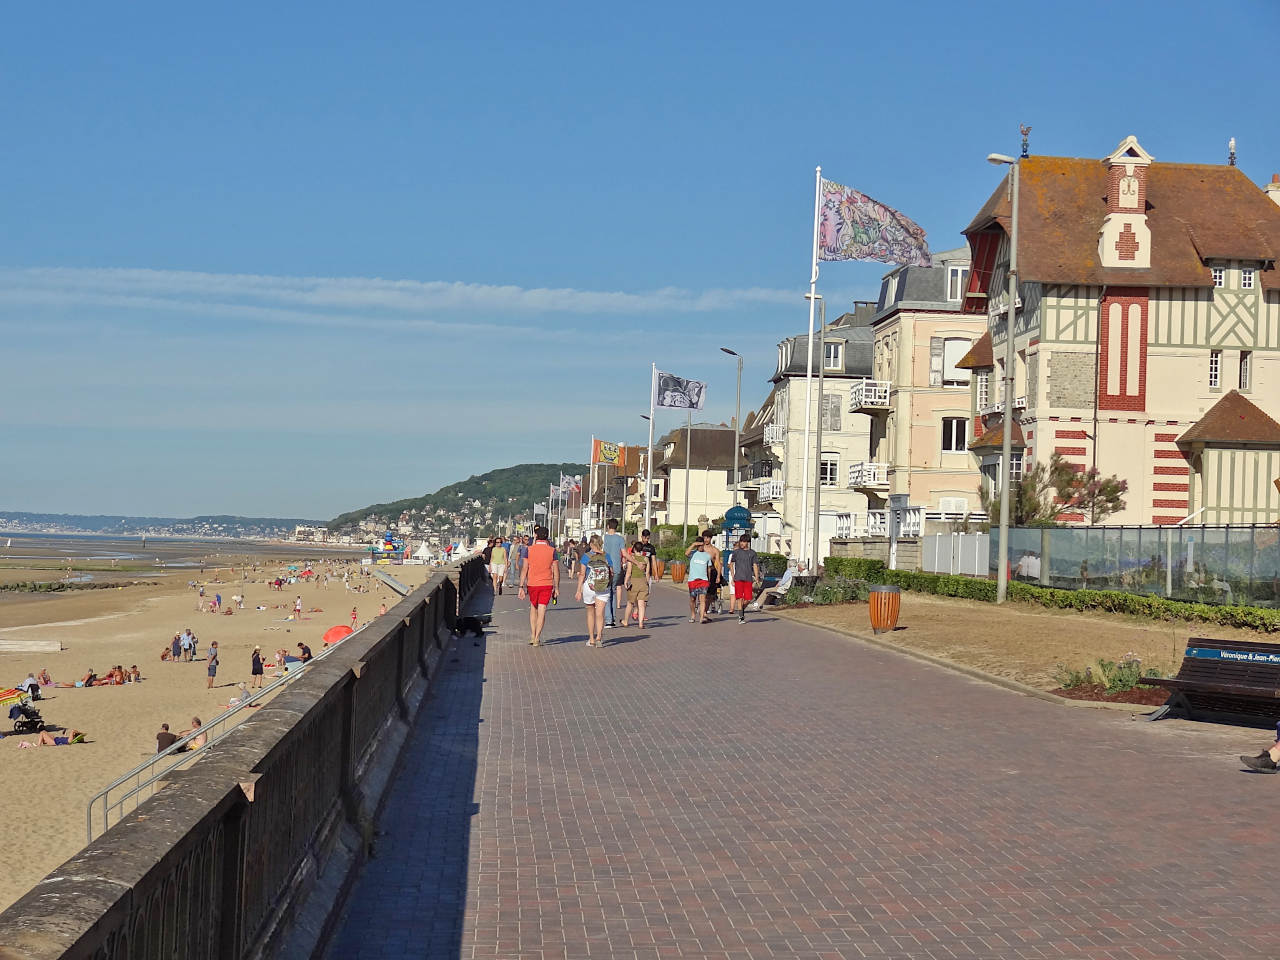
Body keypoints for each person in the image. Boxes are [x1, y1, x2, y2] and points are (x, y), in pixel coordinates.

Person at [518, 525, 559, 647]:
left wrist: (521, 586)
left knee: (533, 608)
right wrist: (556, 587)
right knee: (542, 610)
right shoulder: (552, 551)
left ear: (536, 536)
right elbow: (555, 571)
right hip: (547, 583)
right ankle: (537, 638)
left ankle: (532, 634)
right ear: (547, 537)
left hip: (532, 583)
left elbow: (525, 569)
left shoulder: (529, 550)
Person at [575, 534, 612, 648]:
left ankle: (591, 639)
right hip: (603, 588)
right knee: (600, 613)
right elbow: (612, 572)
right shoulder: (607, 556)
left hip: (589, 587)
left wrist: (578, 590)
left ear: (591, 544)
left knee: (590, 613)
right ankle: (599, 637)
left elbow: (582, 574)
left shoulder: (586, 557)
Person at [728, 536, 761, 624]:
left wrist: (757, 577)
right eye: (741, 541)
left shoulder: (752, 553)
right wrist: (732, 575)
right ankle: (741, 617)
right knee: (739, 597)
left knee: (748, 598)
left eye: (744, 542)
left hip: (748, 578)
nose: (742, 543)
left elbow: (754, 565)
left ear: (748, 542)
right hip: (738, 578)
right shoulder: (736, 552)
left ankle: (741, 609)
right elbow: (731, 564)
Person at [601, 519, 626, 628]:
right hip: (616, 568)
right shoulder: (620, 539)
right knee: (613, 592)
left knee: (607, 593)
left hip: (606, 568)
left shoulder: (603, 538)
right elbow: (624, 553)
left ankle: (608, 619)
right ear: (616, 527)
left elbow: (600, 551)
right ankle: (613, 618)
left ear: (607, 526)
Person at [686, 537, 715, 624]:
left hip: (703, 580)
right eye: (699, 545)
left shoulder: (707, 555)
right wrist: (693, 545)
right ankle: (693, 615)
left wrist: (708, 579)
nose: (701, 547)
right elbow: (686, 553)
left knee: (702, 599)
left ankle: (702, 617)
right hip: (693, 580)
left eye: (702, 545)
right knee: (692, 599)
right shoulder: (693, 554)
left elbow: (709, 569)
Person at [623, 540, 650, 629]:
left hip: (634, 582)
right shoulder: (645, 559)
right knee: (641, 604)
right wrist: (647, 582)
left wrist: (626, 581)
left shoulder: (631, 559)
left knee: (630, 603)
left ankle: (625, 621)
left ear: (634, 549)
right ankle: (641, 623)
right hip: (643, 582)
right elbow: (647, 573)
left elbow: (629, 572)